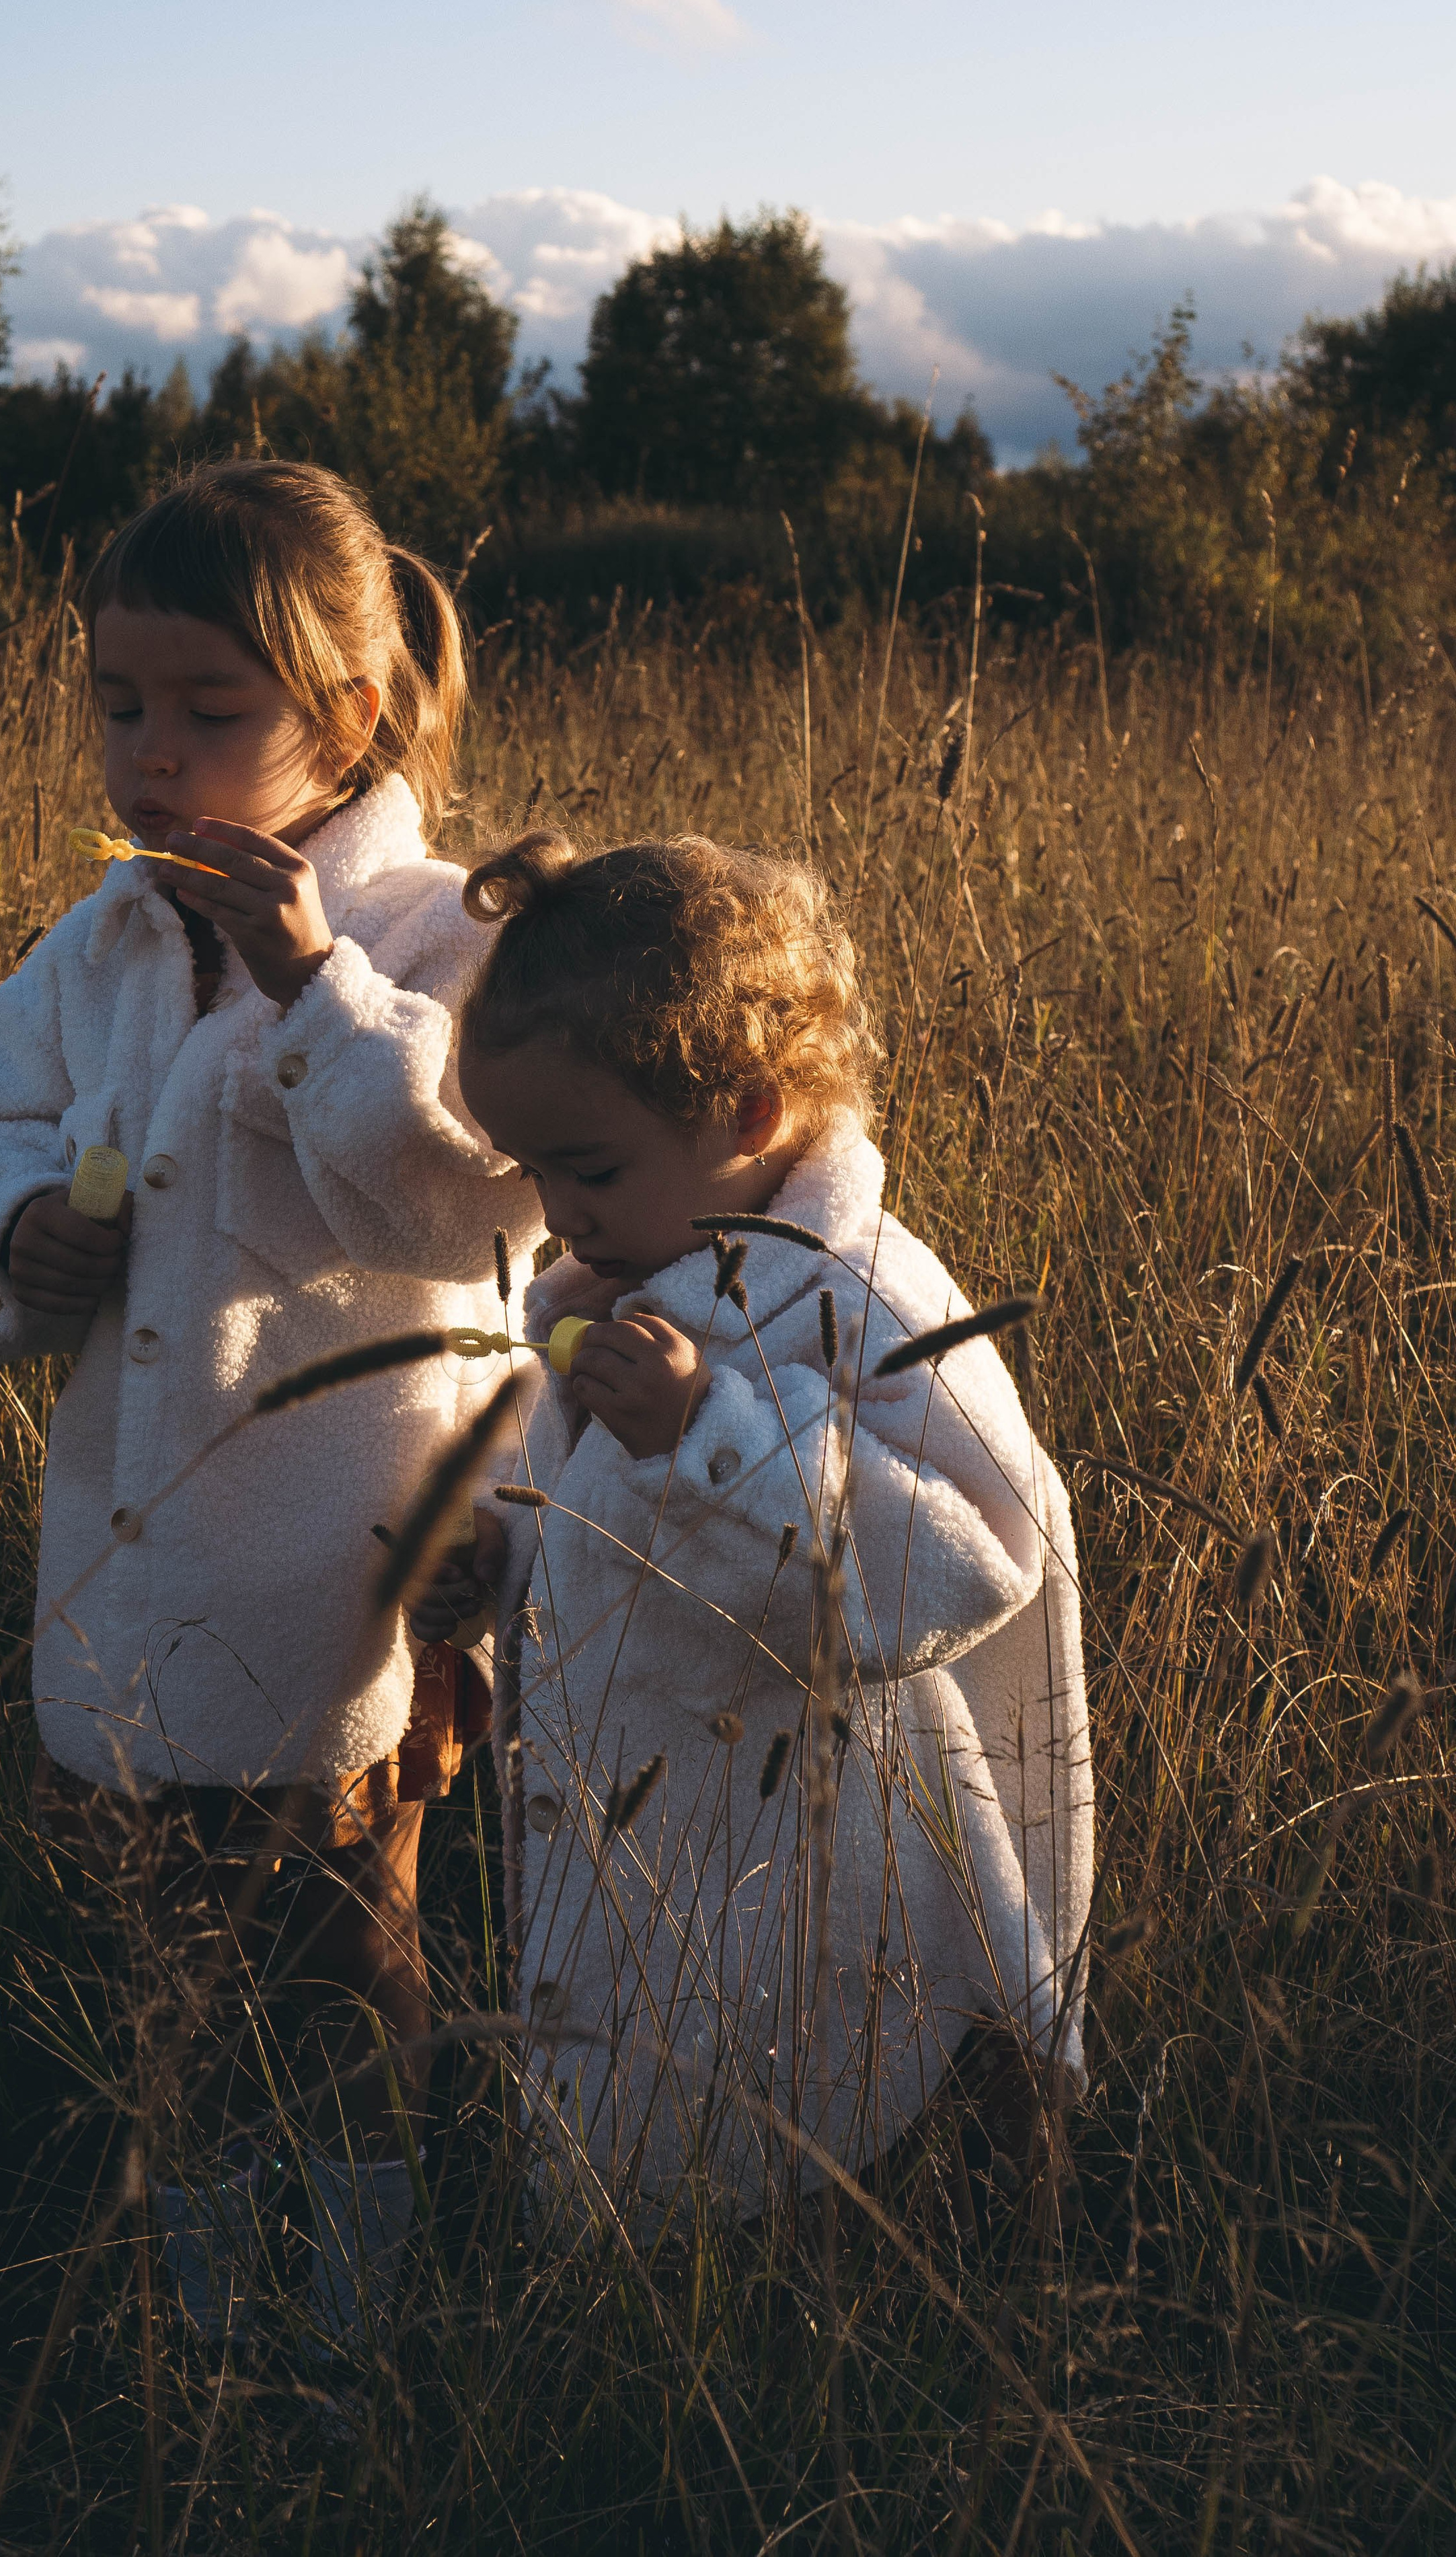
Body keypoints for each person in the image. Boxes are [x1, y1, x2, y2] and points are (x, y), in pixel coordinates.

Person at [0, 461, 541, 2345]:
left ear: (349, 712)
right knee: (167, 1963)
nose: (151, 752)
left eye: (209, 708)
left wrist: (315, 985)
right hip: (133, 1559)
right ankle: (210, 2315)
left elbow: (471, 1202)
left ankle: (350, 2320)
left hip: (344, 1570)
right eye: (118, 704)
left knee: (338, 1948)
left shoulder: (437, 935)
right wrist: (18, 1230)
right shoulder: (102, 942)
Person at [414, 831, 1091, 2219]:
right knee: (662, 2132)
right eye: (534, 1173)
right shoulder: (613, 1286)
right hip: (652, 1854)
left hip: (830, 1874)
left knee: (825, 2171)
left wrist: (712, 1443)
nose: (556, 1214)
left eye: (589, 1168)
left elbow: (980, 1557)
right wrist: (495, 1560)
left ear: (747, 1112)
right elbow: (584, 1521)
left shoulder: (868, 1300)